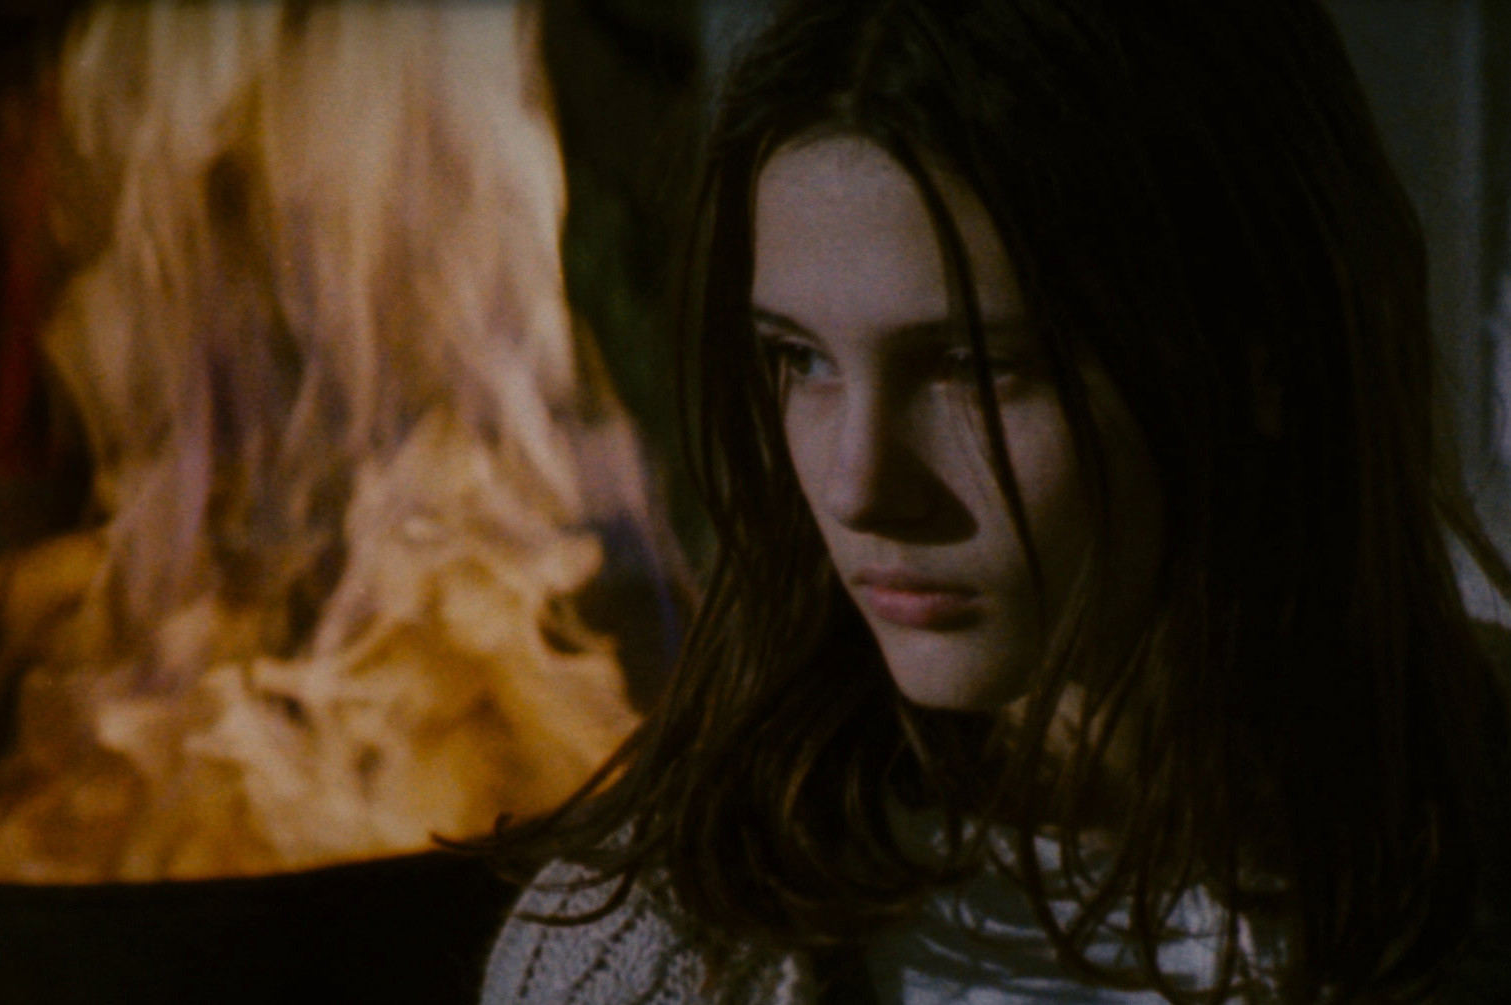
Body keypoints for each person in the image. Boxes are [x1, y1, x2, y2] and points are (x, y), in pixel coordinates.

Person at [475, 0, 1511, 1001]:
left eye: (972, 366)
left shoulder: (1470, 858)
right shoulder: (636, 954)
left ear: (1261, 356)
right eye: (801, 358)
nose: (857, 487)